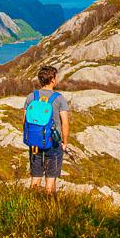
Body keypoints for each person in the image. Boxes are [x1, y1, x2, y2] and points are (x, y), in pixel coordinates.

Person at [24, 64, 70, 194]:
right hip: (53, 142)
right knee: (50, 180)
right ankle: (48, 208)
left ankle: (31, 205)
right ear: (53, 80)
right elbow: (65, 123)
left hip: (34, 143)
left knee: (35, 177)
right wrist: (64, 143)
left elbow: (25, 121)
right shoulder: (59, 98)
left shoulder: (31, 97)